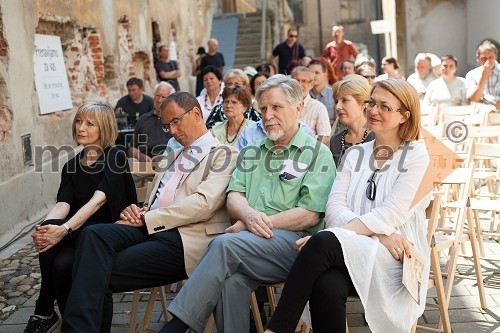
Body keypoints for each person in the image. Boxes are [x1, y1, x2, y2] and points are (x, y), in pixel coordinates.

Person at [160, 75, 336, 333]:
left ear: (298, 109)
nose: (267, 115)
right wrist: (249, 217)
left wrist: (252, 223)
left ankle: (176, 326)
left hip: (297, 247)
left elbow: (310, 214)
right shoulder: (252, 151)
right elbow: (234, 197)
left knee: (222, 244)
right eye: (263, 108)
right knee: (232, 280)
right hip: (252, 244)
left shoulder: (316, 153)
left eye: (276, 107)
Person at [60, 92, 239, 332]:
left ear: (196, 114)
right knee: (92, 234)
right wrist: (140, 210)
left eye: (176, 121)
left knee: (93, 269)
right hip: (151, 227)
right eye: (167, 125)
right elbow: (159, 199)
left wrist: (148, 218)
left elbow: (203, 204)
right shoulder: (173, 153)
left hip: (185, 239)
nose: (172, 130)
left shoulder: (225, 154)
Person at [265, 79, 431, 333]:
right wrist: (377, 234)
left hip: (395, 258)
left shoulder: (417, 156)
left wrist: (337, 237)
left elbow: (392, 213)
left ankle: (276, 329)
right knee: (326, 284)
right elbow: (333, 210)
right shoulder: (355, 154)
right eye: (371, 103)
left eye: (384, 106)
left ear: (404, 116)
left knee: (321, 242)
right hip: (355, 250)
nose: (373, 111)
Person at [25, 102, 137, 333]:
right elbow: (63, 204)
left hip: (109, 231)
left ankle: (45, 309)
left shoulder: (115, 155)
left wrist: (63, 229)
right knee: (61, 262)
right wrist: (44, 226)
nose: (81, 128)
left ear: (103, 127)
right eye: (78, 121)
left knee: (63, 254)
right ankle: (67, 322)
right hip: (78, 231)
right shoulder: (72, 165)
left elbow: (98, 201)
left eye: (89, 123)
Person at [330, 74, 375, 166]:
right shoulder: (335, 140)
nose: (338, 107)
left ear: (363, 104)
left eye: (345, 100)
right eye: (336, 101)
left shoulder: (378, 138)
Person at [128, 82, 174, 162]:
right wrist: (139, 155)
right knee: (129, 162)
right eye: (157, 95)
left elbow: (181, 148)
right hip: (144, 162)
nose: (159, 100)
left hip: (167, 162)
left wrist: (164, 158)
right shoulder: (144, 119)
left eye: (163, 97)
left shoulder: (174, 120)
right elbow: (132, 148)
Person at [291, 66, 331, 144]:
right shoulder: (285, 105)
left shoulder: (319, 108)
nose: (299, 85)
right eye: (296, 80)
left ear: (311, 84)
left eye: (304, 81)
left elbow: (324, 139)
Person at [466, 40, 500, 108]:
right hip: (480, 113)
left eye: (491, 57)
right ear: (478, 58)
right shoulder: (471, 74)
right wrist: (484, 76)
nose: (488, 61)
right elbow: (474, 99)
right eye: (484, 58)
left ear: (496, 56)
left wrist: (492, 106)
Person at [308, 59, 336, 125]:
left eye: (317, 72)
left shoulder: (334, 95)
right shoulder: (304, 95)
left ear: (324, 75)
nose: (314, 76)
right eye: (311, 73)